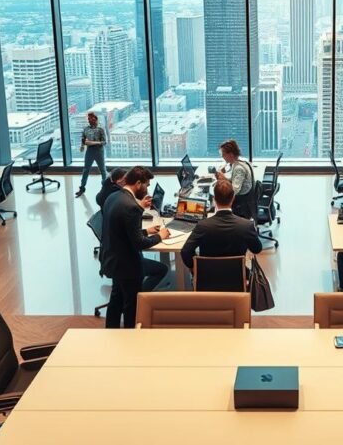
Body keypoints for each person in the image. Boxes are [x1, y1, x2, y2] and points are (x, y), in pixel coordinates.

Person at [99, 166, 170, 328]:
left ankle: (111, 334)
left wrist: (146, 230)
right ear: (138, 183)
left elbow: (121, 230)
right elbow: (139, 244)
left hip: (112, 259)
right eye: (147, 185)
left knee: (116, 300)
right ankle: (131, 339)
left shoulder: (113, 197)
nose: (147, 189)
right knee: (132, 306)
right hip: (127, 265)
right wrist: (160, 236)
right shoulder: (131, 207)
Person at [181, 180, 262, 270]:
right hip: (237, 277)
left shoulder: (203, 226)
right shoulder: (246, 226)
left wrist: (196, 268)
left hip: (207, 278)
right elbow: (257, 249)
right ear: (233, 198)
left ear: (214, 199)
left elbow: (185, 251)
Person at [215, 139, 255, 220]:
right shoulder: (241, 161)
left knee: (218, 200)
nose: (222, 157)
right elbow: (236, 180)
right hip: (248, 199)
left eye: (223, 154)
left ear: (231, 154)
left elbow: (234, 191)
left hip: (242, 204)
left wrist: (223, 180)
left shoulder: (238, 168)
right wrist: (225, 178)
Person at [76, 112, 108, 198]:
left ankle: (105, 188)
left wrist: (92, 143)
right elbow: (83, 138)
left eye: (92, 119)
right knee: (86, 169)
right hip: (89, 151)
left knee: (103, 170)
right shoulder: (86, 129)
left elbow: (104, 142)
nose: (90, 121)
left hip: (99, 151)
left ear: (96, 119)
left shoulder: (100, 129)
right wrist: (83, 145)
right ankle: (82, 187)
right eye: (89, 119)